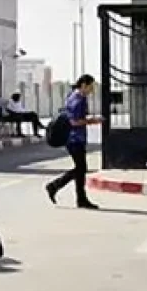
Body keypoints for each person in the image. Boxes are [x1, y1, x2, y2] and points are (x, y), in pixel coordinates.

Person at [45, 74, 102, 209]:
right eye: (90, 87)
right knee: (81, 168)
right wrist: (93, 121)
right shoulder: (78, 99)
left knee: (80, 169)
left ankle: (80, 198)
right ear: (83, 85)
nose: (91, 90)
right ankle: (54, 186)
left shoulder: (73, 96)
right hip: (74, 139)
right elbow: (74, 121)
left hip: (74, 138)